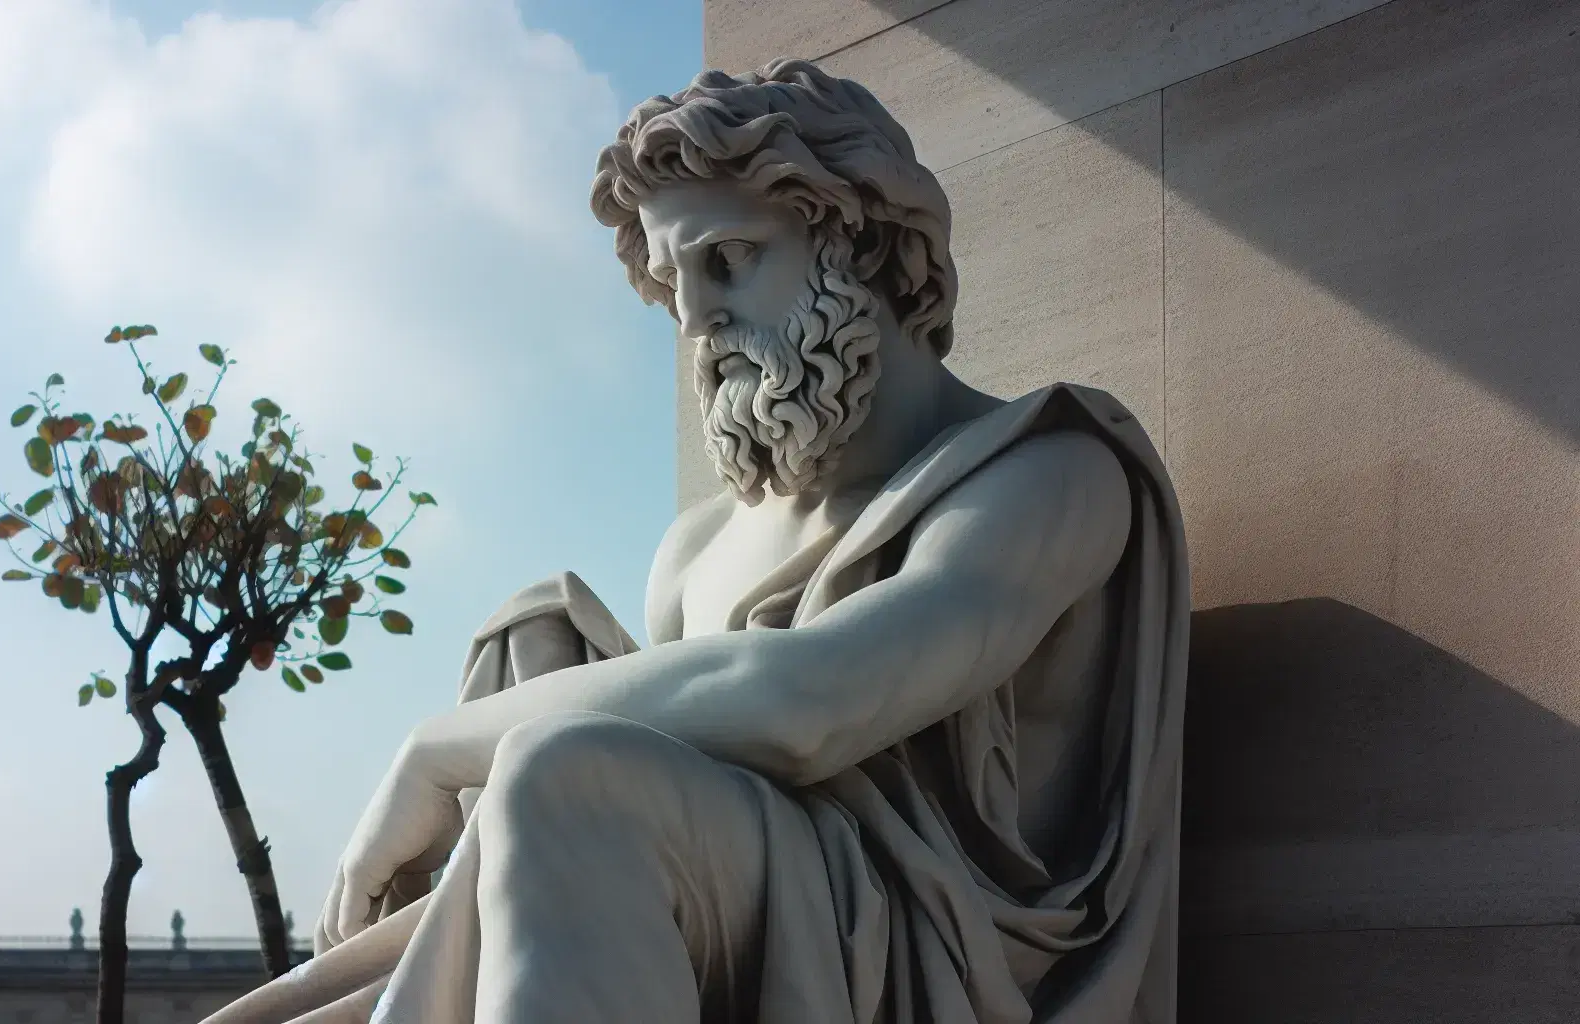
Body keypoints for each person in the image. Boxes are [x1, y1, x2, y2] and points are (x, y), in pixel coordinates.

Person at [208, 59, 1188, 1024]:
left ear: (864, 245)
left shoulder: (1042, 474)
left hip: (937, 972)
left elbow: (809, 702)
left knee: (565, 775)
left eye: (727, 257)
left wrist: (434, 752)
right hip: (756, 936)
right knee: (535, 647)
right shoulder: (699, 550)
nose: (695, 316)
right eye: (673, 280)